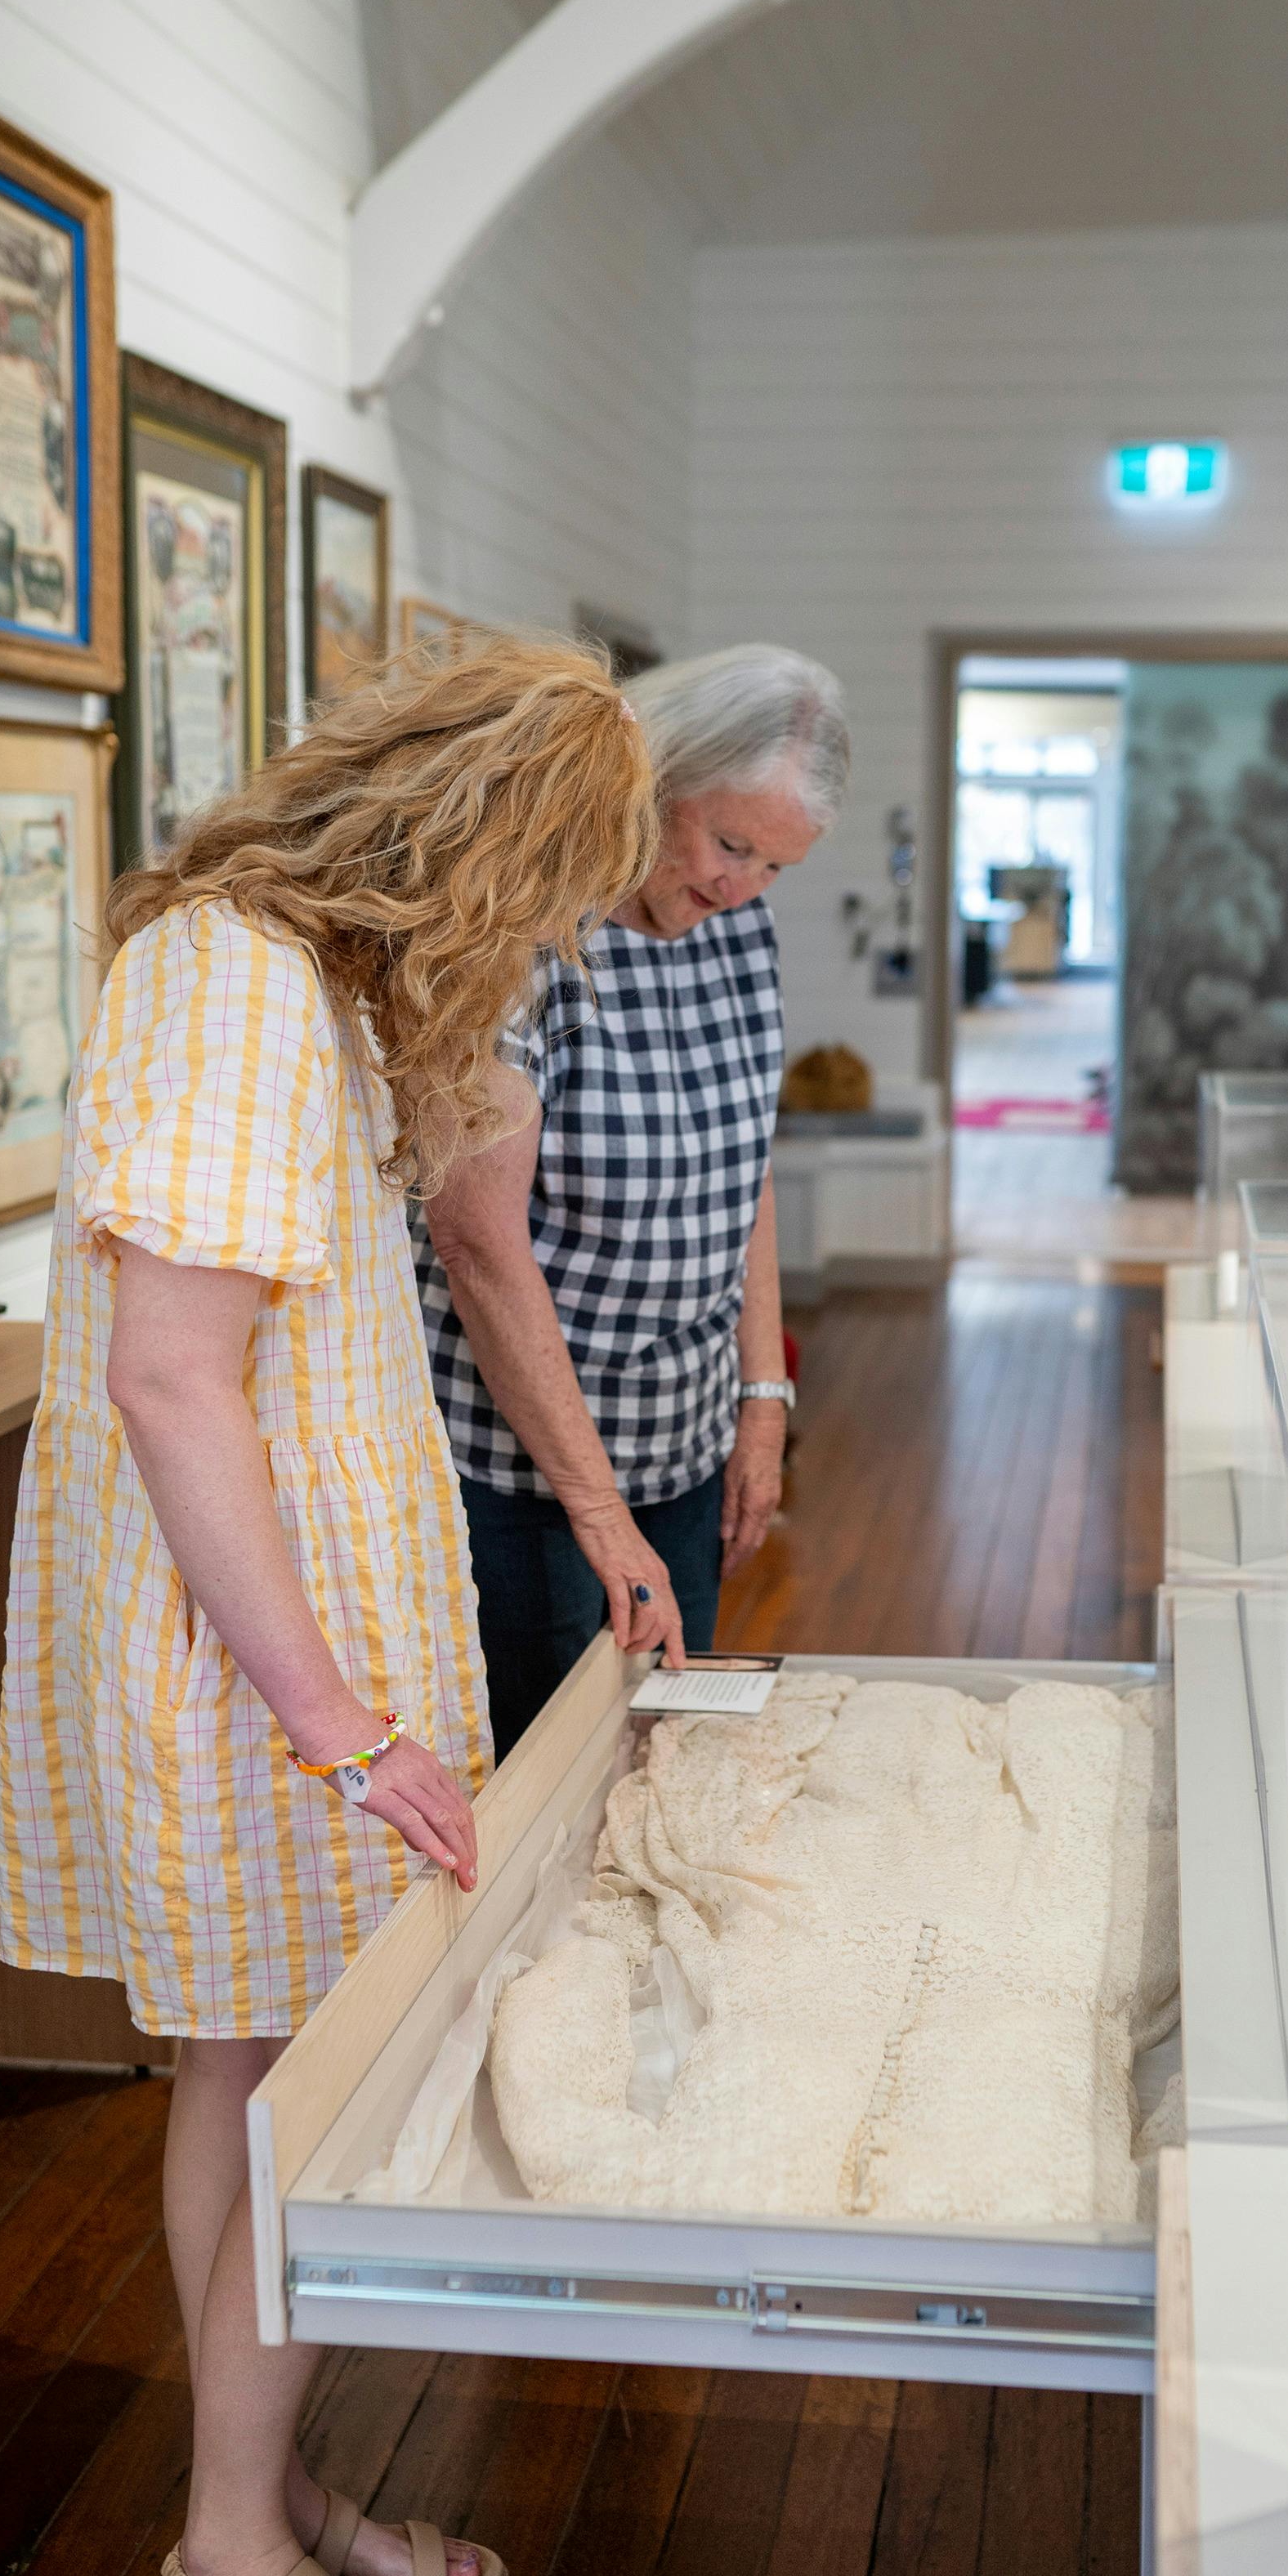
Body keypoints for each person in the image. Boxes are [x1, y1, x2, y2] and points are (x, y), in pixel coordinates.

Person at [0, 639, 656, 2576]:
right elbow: (171, 1380)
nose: (550, 940)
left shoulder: (331, 992)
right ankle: (224, 2562)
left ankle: (263, 2484)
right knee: (295, 2095)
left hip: (314, 1621)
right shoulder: (226, 975)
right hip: (247, 1647)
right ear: (470, 846)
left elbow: (456, 1241)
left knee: (273, 2084)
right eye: (550, 894)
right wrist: (337, 1720)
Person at [417, 642, 850, 1757]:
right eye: (729, 844)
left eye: (774, 868)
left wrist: (763, 1399)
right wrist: (598, 1512)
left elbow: (738, 1157)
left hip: (687, 1437)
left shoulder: (732, 920)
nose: (740, 887)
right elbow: (475, 1238)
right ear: (652, 775)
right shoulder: (526, 921)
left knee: (667, 1745)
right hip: (530, 1465)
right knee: (569, 1774)